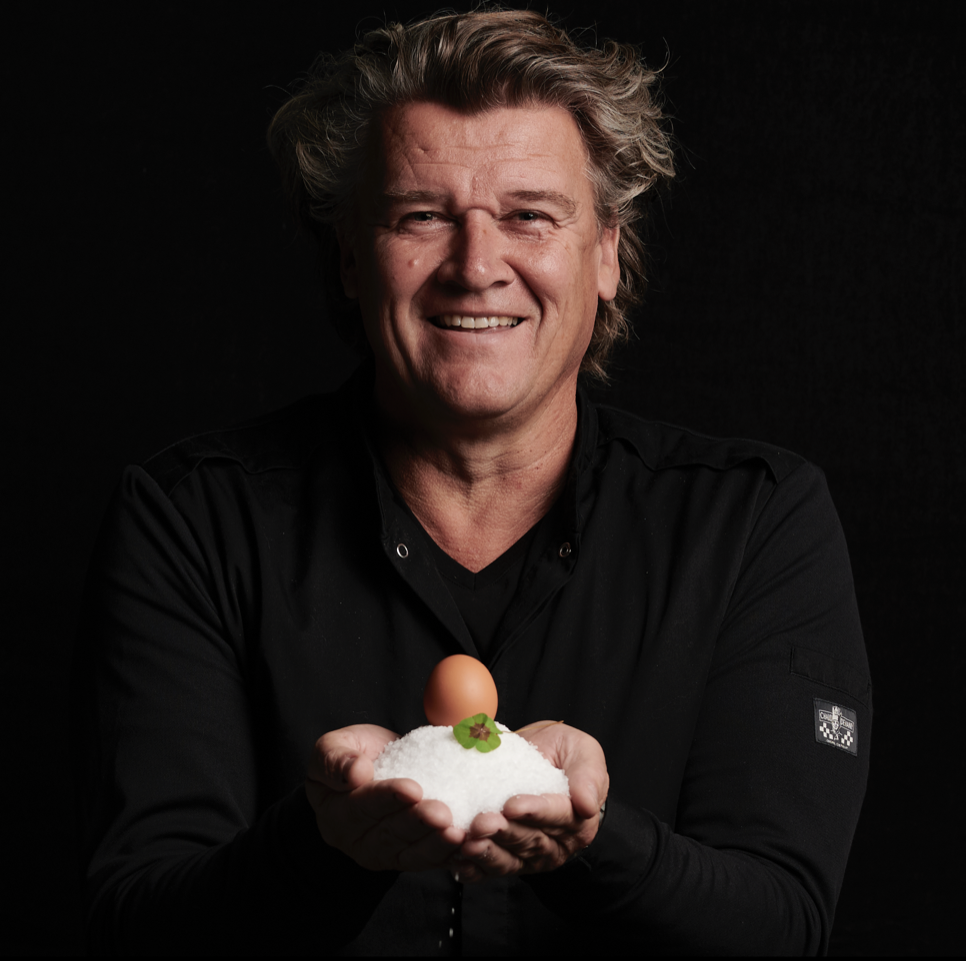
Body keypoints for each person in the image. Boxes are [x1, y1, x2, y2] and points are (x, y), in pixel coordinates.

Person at [73, 8, 872, 955]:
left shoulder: (753, 524)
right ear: (351, 256)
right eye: (421, 216)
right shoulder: (191, 522)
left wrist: (593, 842)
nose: (476, 266)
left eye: (529, 215)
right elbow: (138, 922)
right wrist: (327, 843)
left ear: (606, 253)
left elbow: (781, 925)